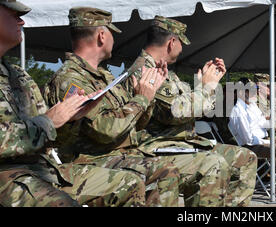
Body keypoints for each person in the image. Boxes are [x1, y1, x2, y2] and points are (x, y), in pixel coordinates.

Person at [44, 7, 233, 207]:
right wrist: (142, 99)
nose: (113, 40)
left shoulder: (104, 76)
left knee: (182, 168)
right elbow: (105, 131)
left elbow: (136, 123)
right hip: (93, 159)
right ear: (101, 36)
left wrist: (146, 99)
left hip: (122, 154)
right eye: (110, 33)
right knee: (168, 172)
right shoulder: (70, 80)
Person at [0, 1, 148, 207]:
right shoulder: (69, 77)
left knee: (130, 183)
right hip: (8, 174)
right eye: (13, 14)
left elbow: (52, 139)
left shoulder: (18, 75)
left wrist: (70, 120)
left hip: (41, 168)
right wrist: (47, 122)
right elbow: (48, 126)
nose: (22, 20)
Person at [120, 16, 258, 207]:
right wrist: (206, 88)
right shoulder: (146, 71)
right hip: (159, 146)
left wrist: (206, 85)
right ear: (171, 42)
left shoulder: (166, 71)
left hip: (181, 142)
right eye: (181, 43)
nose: (182, 49)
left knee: (245, 158)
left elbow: (194, 108)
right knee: (214, 163)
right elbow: (175, 112)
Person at [228, 78, 276, 203]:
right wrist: (271, 142)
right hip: (250, 147)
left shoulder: (253, 106)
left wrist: (273, 118)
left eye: (256, 90)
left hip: (263, 142)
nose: (255, 93)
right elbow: (248, 139)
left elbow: (264, 124)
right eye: (252, 90)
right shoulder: (238, 111)